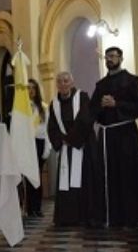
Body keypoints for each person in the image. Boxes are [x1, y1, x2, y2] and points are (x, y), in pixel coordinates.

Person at [90, 46, 138, 227]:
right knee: (108, 176)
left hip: (126, 135)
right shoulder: (100, 85)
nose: (109, 59)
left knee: (127, 175)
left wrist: (117, 104)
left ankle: (130, 216)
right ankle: (109, 215)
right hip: (106, 136)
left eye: (113, 56)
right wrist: (100, 106)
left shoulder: (132, 80)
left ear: (121, 58)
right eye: (107, 57)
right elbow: (92, 110)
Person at [47, 72, 98, 226]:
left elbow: (85, 119)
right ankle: (67, 217)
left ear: (72, 82)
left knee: (85, 180)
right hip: (66, 148)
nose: (63, 84)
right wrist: (62, 140)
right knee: (66, 183)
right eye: (59, 81)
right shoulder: (54, 104)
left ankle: (86, 216)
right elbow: (52, 127)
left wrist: (70, 139)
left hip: (83, 146)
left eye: (66, 81)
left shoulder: (82, 97)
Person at [22, 79, 51, 217]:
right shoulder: (21, 107)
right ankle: (29, 208)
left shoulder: (43, 107)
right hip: (27, 143)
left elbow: (47, 129)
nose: (31, 90)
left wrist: (47, 148)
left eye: (33, 88)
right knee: (28, 176)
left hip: (39, 142)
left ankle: (37, 207)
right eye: (28, 88)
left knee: (37, 176)